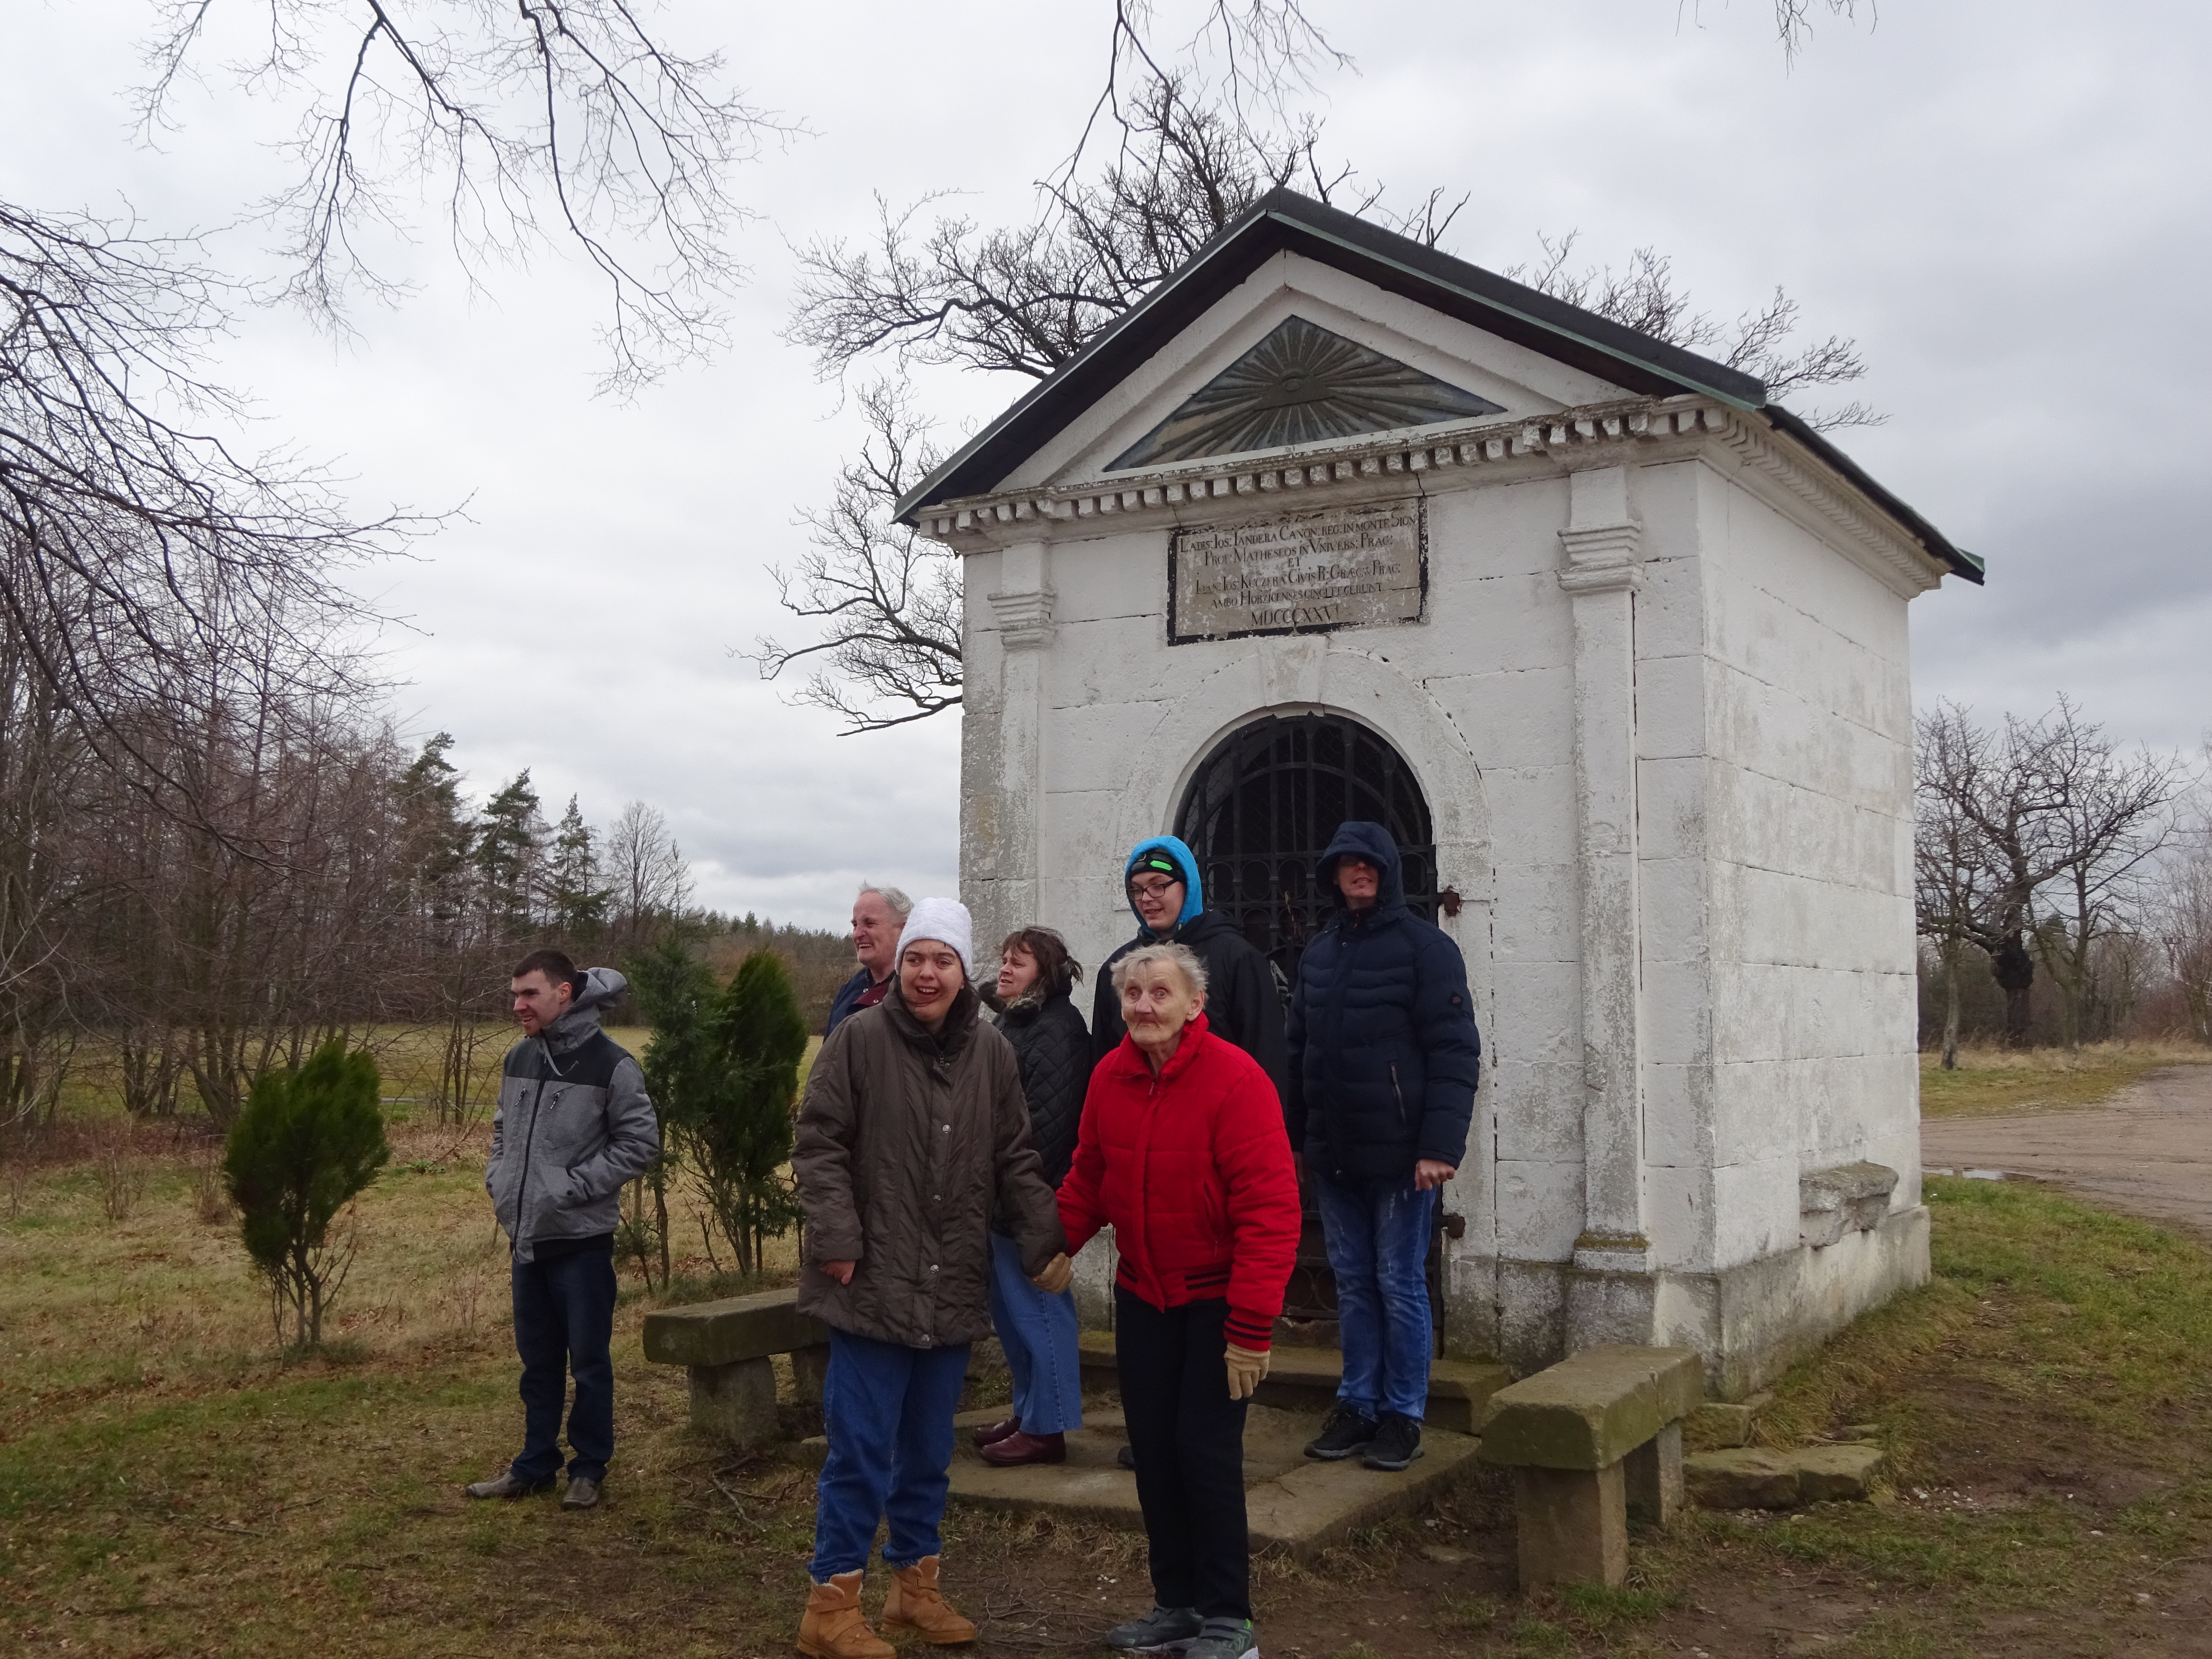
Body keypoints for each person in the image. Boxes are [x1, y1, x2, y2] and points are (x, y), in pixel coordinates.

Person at [792, 898, 1073, 1659]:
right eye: (916, 957)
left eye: (942, 960)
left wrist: (1044, 1238)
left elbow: (1015, 1155)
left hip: (950, 1284)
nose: (926, 972)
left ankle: (914, 1591)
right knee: (859, 1448)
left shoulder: (992, 1052)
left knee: (926, 1451)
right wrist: (838, 1237)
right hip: (870, 1279)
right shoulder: (859, 1039)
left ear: (962, 971)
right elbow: (818, 1143)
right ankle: (830, 1603)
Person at [1059, 943, 1300, 1659]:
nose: (1142, 1006)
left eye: (1158, 993)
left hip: (1217, 1303)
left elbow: (1271, 1208)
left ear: (1195, 1004)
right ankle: (1178, 1606)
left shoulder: (1237, 1080)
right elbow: (1090, 1175)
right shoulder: (1111, 1076)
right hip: (1144, 1297)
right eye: (1131, 993)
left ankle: (1231, 1618)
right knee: (1156, 1453)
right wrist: (1054, 1245)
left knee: (1204, 1451)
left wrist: (1251, 1327)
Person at [1287, 821, 1481, 1474]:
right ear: (1333, 875)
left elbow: (1454, 1049)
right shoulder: (1318, 953)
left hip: (1404, 1156)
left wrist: (1439, 1145)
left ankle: (1403, 1414)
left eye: (1368, 862)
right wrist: (1295, 1138)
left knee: (1398, 1282)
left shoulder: (1427, 949)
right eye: (1346, 864)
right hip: (1335, 1151)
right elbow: (1297, 1052)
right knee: (1353, 1282)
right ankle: (1357, 1405)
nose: (1358, 873)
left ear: (1388, 870)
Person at [467, 951, 661, 1511]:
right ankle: (534, 1466)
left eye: (529, 994)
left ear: (564, 995)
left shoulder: (613, 1065)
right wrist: (500, 1179)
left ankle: (589, 1468)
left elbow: (639, 1145)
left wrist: (571, 1188)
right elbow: (503, 1131)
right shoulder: (519, 1058)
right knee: (539, 1362)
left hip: (581, 1242)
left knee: (590, 1362)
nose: (518, 1005)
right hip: (527, 1237)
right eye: (515, 994)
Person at [972, 928, 1092, 1467]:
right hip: (1000, 1193)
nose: (1004, 969)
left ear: (1043, 971)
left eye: (1017, 962)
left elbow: (1046, 1123)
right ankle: (1028, 1411)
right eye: (1003, 960)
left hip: (1031, 1196)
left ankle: (1050, 1427)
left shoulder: (1058, 1029)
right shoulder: (1015, 1021)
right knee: (1012, 1314)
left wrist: (1017, 1189)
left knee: (1041, 1309)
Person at [1091, 836, 1288, 1098]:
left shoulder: (1238, 959)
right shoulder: (1118, 967)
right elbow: (1105, 1060)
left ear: (1189, 887)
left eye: (1158, 886)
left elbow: (1265, 1054)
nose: (1146, 899)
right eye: (1136, 890)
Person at [824, 884, 912, 1036]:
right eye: (855, 925)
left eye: (870, 923)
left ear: (903, 929)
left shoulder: (919, 991)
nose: (857, 934)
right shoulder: (848, 991)